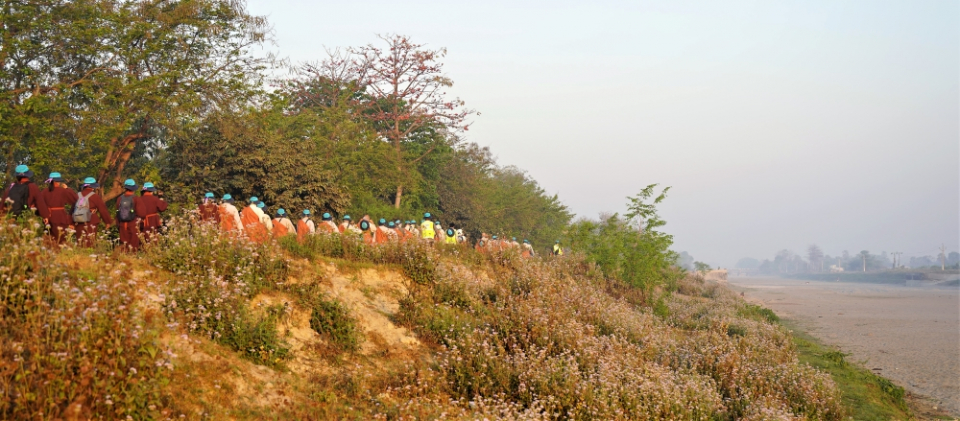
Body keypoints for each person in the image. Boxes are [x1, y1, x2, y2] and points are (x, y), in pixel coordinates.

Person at [39, 172, 79, 244]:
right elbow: (75, 199)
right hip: (60, 216)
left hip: (48, 216)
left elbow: (40, 204)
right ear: (57, 182)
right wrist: (68, 189)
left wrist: (44, 216)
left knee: (49, 236)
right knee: (61, 237)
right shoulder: (63, 191)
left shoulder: (44, 191)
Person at [73, 177, 113, 248]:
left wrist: (71, 223)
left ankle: (80, 256)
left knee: (80, 240)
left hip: (78, 220)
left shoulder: (77, 195)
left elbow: (72, 209)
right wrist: (107, 222)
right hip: (91, 221)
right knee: (89, 241)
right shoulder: (95, 196)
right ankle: (88, 255)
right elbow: (102, 209)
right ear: (92, 187)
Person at [116, 179, 141, 251]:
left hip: (122, 223)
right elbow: (141, 213)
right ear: (133, 189)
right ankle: (132, 258)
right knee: (133, 242)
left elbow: (117, 211)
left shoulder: (119, 198)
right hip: (133, 223)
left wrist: (118, 223)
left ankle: (123, 257)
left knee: (124, 242)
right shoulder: (136, 198)